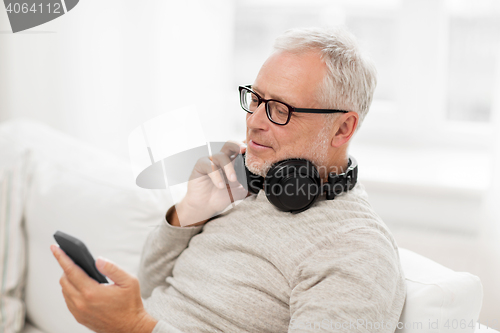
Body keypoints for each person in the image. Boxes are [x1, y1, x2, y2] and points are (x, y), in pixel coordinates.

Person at [51, 26, 406, 333]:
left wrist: (134, 326)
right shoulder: (249, 182)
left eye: (280, 110)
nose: (254, 121)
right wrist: (190, 213)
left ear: (342, 128)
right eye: (255, 99)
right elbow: (151, 284)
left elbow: (139, 316)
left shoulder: (355, 250)